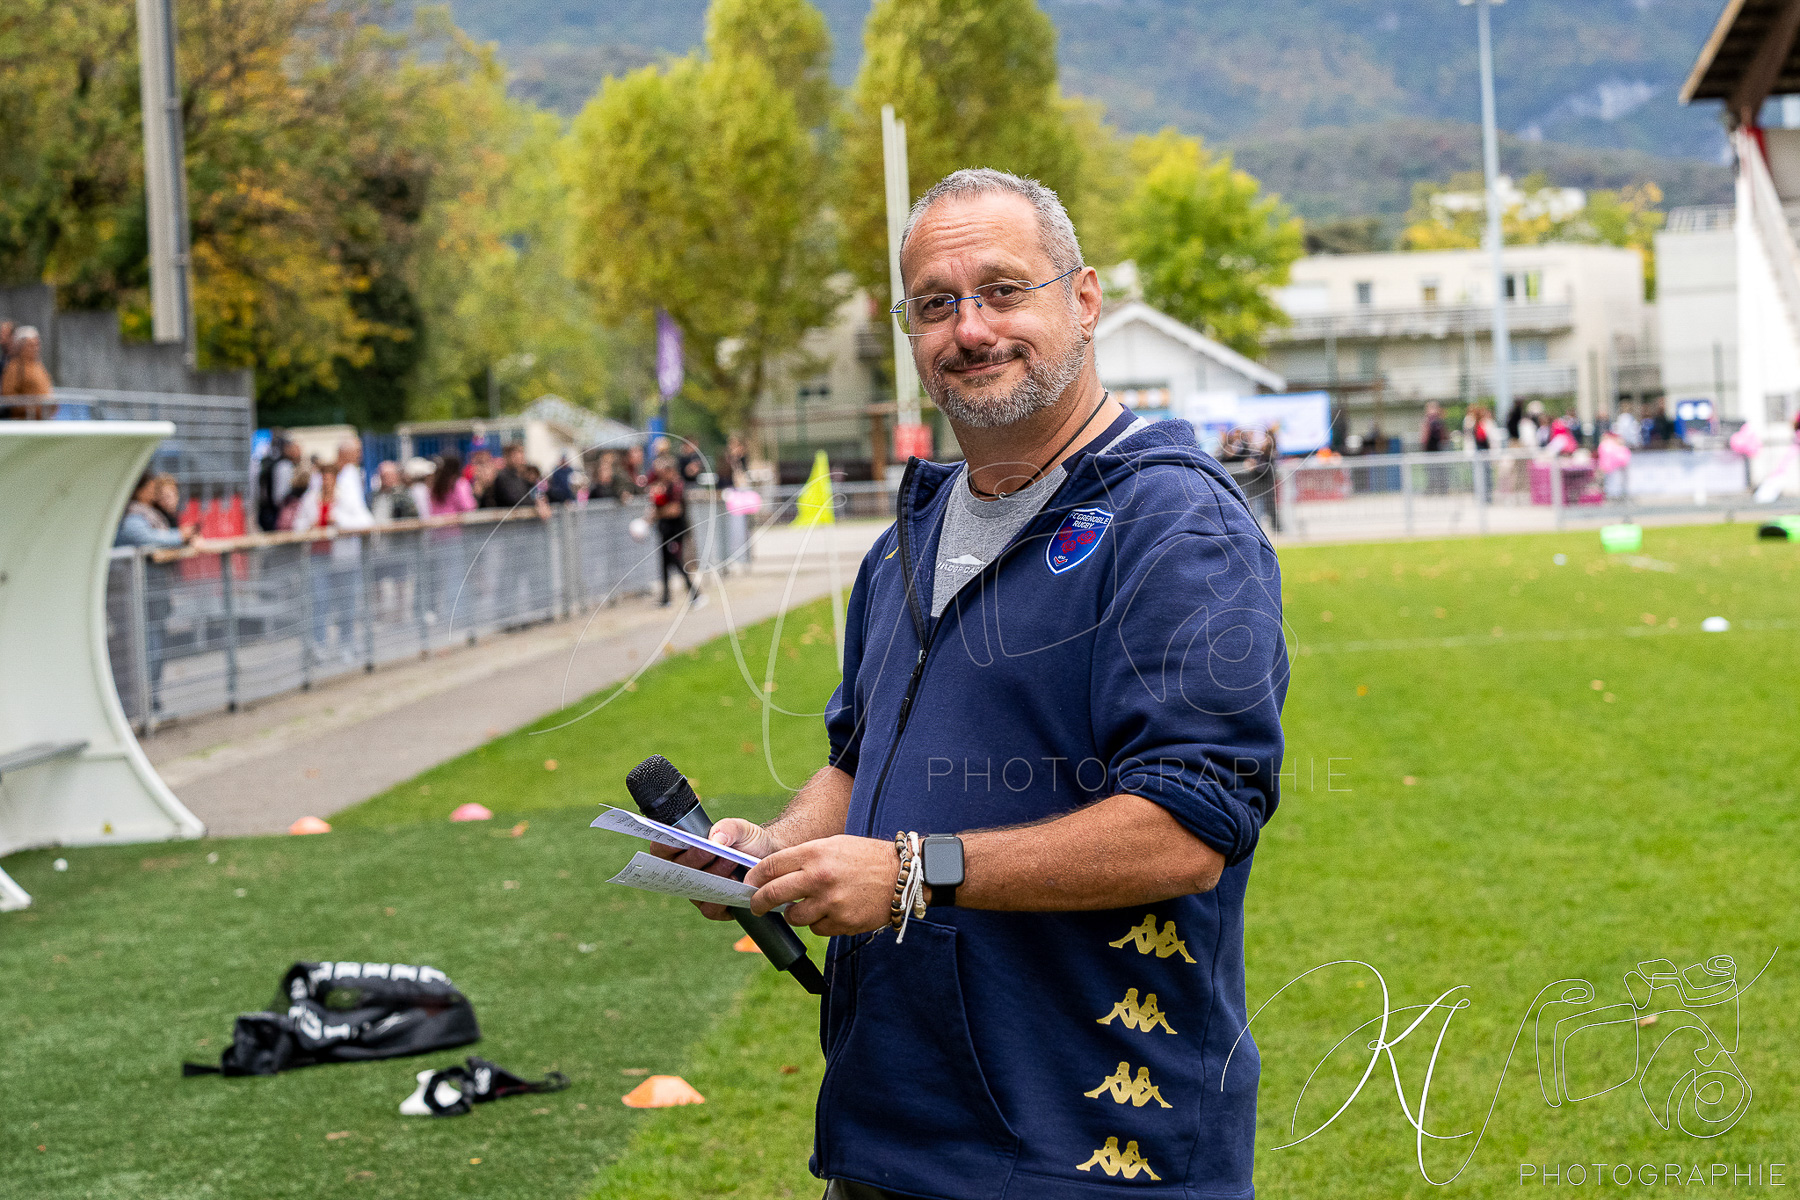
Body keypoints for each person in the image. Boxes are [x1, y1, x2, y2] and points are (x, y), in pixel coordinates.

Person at [654, 168, 1285, 1200]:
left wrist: (912, 871)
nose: (971, 328)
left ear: (1082, 301)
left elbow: (1188, 829)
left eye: (1003, 290)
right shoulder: (906, 539)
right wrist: (775, 849)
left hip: (1089, 1147)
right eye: (935, 304)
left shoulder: (1177, 527)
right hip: (893, 1129)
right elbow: (862, 762)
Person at [648, 453, 699, 607]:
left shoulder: (677, 485)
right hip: (665, 529)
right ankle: (666, 597)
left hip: (676, 530)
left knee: (676, 561)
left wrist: (657, 513)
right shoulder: (662, 486)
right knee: (664, 563)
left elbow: (675, 510)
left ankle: (695, 593)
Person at [1, 325, 56, 419]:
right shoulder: (15, 367)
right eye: (30, 345)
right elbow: (8, 395)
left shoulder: (38, 366)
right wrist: (30, 407)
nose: (35, 348)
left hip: (43, 419)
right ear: (20, 346)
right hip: (24, 421)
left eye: (37, 344)